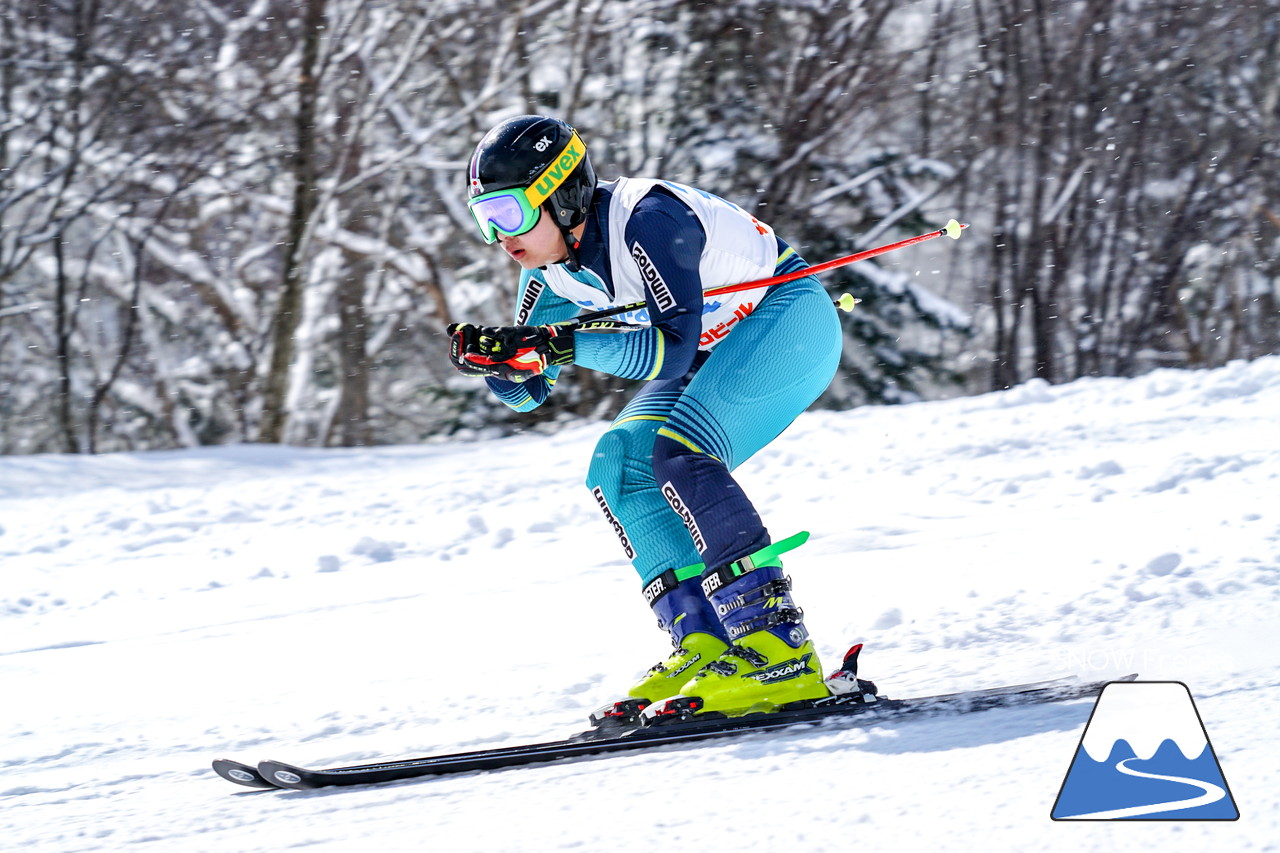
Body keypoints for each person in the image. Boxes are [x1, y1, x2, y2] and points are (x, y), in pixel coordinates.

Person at [447, 115, 842, 719]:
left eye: (508, 214)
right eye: (485, 220)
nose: (501, 236)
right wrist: (499, 361)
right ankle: (707, 641)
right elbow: (527, 396)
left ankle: (780, 652)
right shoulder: (546, 269)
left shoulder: (647, 221)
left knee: (679, 455)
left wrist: (558, 345)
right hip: (715, 345)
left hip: (785, 320)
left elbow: (673, 349)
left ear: (559, 191)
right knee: (618, 464)